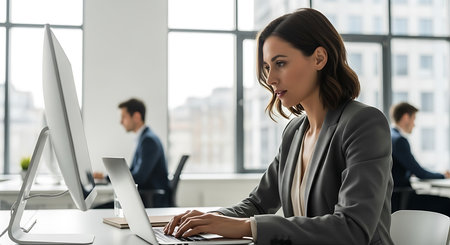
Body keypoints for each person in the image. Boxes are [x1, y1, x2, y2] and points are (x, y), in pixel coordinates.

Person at [163, 8, 394, 245]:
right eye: (266, 67)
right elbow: (258, 203)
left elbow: (352, 228)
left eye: (280, 63)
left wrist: (246, 227)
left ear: (319, 58)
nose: (271, 79)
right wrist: (210, 219)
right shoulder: (295, 132)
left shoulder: (363, 123)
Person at [94, 98, 170, 207]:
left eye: (124, 117)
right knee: (100, 208)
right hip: (142, 198)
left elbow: (139, 177)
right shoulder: (144, 138)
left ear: (137, 117)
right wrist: (105, 177)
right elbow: (134, 172)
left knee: (96, 210)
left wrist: (107, 178)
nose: (121, 122)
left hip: (148, 201)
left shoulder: (149, 141)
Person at [390, 102, 450, 215]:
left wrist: (408, 172)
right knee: (447, 203)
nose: (414, 124)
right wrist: (443, 175)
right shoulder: (399, 141)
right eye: (414, 119)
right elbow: (420, 173)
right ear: (406, 117)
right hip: (403, 199)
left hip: (394, 198)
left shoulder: (389, 135)